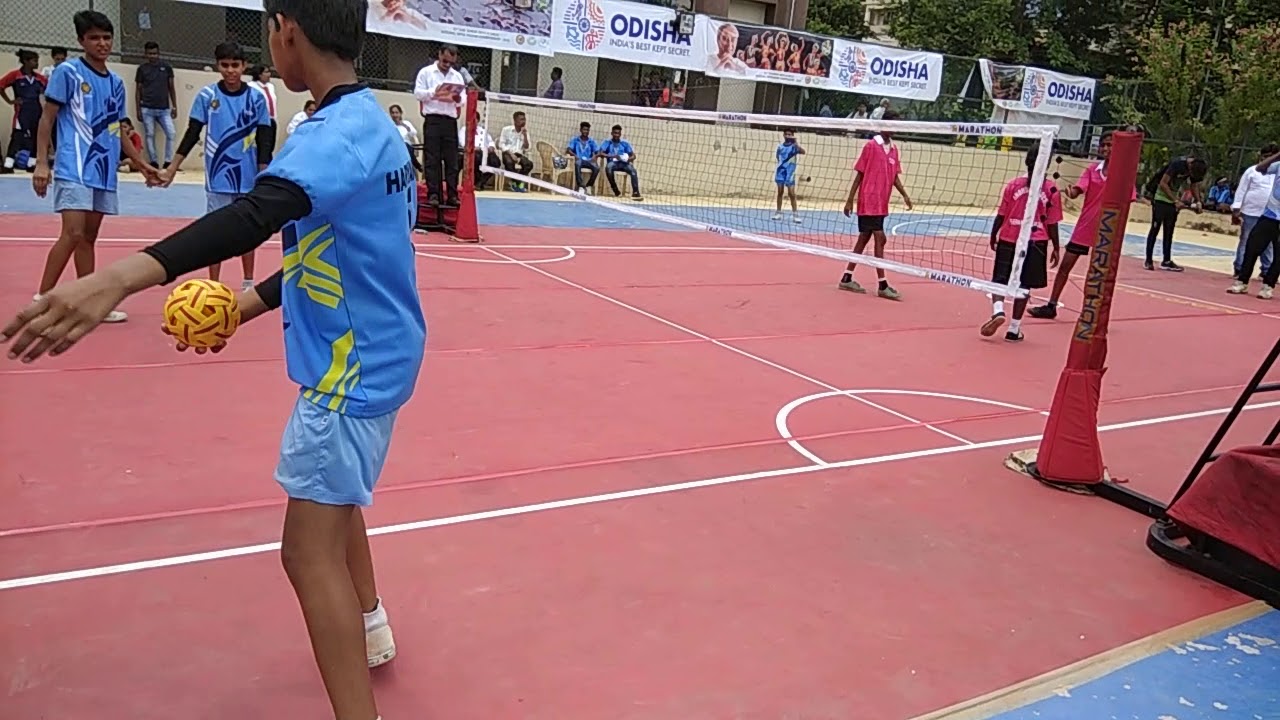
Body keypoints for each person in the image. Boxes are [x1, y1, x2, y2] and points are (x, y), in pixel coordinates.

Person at [3, 3, 423, 720]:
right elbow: (330, 253)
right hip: (378, 356)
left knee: (304, 552)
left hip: (346, 373)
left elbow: (255, 215)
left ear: (285, 31)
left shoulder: (329, 136)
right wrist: (243, 307)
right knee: (337, 496)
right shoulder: (377, 129)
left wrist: (118, 276)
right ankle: (372, 620)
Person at [30, 10, 158, 324]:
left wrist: (142, 165)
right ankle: (42, 299)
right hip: (74, 165)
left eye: (106, 37)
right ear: (81, 41)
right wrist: (42, 163)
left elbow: (118, 128)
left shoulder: (115, 82)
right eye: (94, 38)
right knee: (72, 233)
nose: (101, 43)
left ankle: (88, 302)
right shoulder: (68, 73)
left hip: (103, 169)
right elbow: (47, 118)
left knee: (89, 237)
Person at [159, 41, 274, 291]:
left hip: (248, 175)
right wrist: (171, 167)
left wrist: (264, 170)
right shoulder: (207, 96)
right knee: (215, 230)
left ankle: (248, 281)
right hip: (218, 176)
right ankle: (213, 283)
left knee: (248, 229)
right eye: (225, 65)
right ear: (217, 65)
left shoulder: (255, 98)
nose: (230, 70)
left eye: (235, 65)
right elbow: (192, 133)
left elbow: (265, 134)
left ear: (244, 66)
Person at [1029, 130, 1144, 320]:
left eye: (1110, 145)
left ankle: (1092, 311)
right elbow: (1078, 189)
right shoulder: (1093, 170)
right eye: (1104, 145)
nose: (1106, 148)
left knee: (1097, 273)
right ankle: (1051, 305)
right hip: (1085, 226)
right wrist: (1071, 192)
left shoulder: (1122, 175)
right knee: (1065, 266)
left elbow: (1128, 199)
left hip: (1107, 230)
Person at [982, 147, 1062, 342]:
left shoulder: (1013, 185)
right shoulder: (1051, 189)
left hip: (1009, 237)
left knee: (999, 279)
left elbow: (1001, 214)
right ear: (1047, 162)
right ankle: (1014, 329)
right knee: (1024, 285)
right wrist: (1056, 247)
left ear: (1027, 161)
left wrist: (994, 234)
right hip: (1036, 242)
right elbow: (1052, 223)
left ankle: (998, 311)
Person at [838, 110, 913, 300]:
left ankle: (846, 277)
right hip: (868, 200)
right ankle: (883, 285)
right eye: (892, 124)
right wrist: (850, 199)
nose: (895, 128)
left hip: (882, 202)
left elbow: (894, 176)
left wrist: (905, 195)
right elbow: (860, 174)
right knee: (880, 238)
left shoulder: (894, 150)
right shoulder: (871, 146)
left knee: (864, 238)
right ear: (884, 124)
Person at [413, 44, 464, 207]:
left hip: (450, 121)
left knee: (452, 160)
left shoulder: (457, 76)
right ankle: (433, 193)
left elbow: (463, 99)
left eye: (451, 62)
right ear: (439, 55)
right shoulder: (426, 72)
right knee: (432, 159)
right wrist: (434, 92)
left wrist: (454, 97)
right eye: (445, 60)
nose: (447, 64)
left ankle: (452, 194)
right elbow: (418, 93)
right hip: (433, 119)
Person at [1229, 146, 1280, 299]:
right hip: (1269, 215)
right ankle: (1242, 281)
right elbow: (1260, 168)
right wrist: (1278, 155)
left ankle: (1268, 285)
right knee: (1252, 246)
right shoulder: (1278, 166)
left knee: (1278, 255)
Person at [1142, 155, 1207, 272]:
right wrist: (1175, 200)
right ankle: (1148, 260)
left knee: (1169, 230)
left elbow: (1194, 185)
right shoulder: (1177, 165)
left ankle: (1166, 260)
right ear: (1190, 165)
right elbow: (1163, 183)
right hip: (1160, 198)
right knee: (1155, 229)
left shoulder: (1195, 169)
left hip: (1172, 201)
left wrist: (1198, 201)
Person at [1, 49, 45, 174]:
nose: (36, 63)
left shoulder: (40, 79)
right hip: (22, 111)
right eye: (34, 61)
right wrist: (10, 101)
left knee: (36, 136)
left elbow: (47, 91)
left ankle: (31, 164)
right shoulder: (15, 75)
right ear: (26, 61)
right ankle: (8, 164)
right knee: (17, 136)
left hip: (36, 110)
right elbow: (1, 86)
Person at [134, 41, 177, 169]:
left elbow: (171, 88)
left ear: (159, 53)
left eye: (155, 53)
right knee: (150, 134)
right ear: (146, 54)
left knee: (171, 133)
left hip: (164, 108)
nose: (153, 56)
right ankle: (153, 161)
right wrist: (138, 109)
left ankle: (168, 161)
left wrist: (174, 106)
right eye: (150, 53)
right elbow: (138, 90)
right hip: (147, 107)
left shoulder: (167, 67)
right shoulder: (142, 69)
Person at [600, 124, 641, 201]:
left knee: (633, 171)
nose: (616, 135)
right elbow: (601, 153)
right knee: (608, 168)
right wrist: (612, 156)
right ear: (612, 133)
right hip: (613, 163)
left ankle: (636, 192)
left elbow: (633, 156)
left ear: (620, 134)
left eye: (618, 133)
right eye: (615, 133)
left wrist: (627, 159)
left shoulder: (625, 143)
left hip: (624, 163)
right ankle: (616, 190)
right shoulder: (607, 142)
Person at [772, 128, 804, 223]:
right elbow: (778, 157)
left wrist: (796, 142)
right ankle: (778, 212)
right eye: (786, 134)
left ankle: (795, 215)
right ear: (783, 135)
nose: (788, 136)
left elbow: (803, 151)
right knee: (780, 192)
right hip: (781, 171)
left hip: (790, 173)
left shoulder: (794, 147)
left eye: (790, 134)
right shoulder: (780, 147)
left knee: (791, 193)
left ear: (792, 135)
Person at [498, 110, 532, 191]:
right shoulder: (506, 130)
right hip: (508, 153)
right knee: (509, 163)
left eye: (524, 119)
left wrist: (525, 136)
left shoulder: (525, 132)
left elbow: (527, 147)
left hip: (519, 154)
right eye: (521, 119)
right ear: (515, 121)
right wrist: (511, 154)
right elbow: (501, 144)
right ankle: (518, 183)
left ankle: (514, 182)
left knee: (529, 164)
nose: (523, 122)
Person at [247, 64, 281, 140]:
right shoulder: (251, 86)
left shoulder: (270, 86)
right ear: (259, 74)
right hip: (259, 121)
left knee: (270, 146)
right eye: (266, 72)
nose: (269, 74)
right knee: (263, 146)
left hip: (271, 119)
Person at [566, 121, 599, 193]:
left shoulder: (591, 141)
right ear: (580, 130)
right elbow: (568, 150)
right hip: (579, 159)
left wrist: (594, 156)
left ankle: (589, 186)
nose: (586, 131)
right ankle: (580, 186)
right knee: (577, 164)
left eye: (587, 130)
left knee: (596, 167)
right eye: (584, 129)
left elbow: (597, 152)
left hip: (589, 160)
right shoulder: (575, 140)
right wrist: (575, 156)